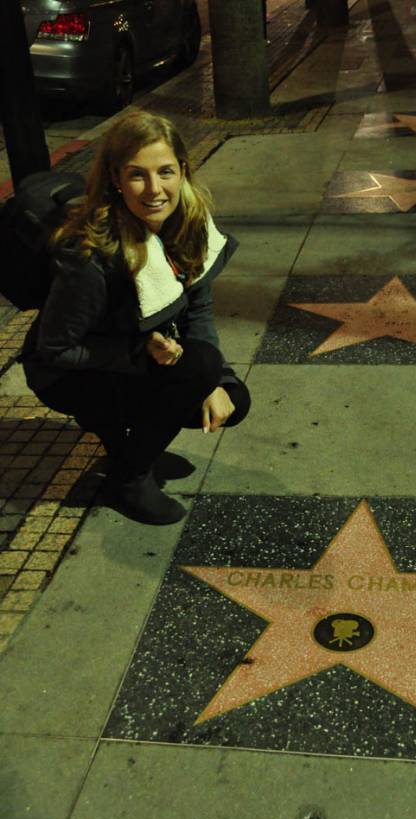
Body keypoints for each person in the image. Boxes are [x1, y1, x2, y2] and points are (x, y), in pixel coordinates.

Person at [21, 110, 251, 525]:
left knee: (232, 396)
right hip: (68, 374)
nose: (154, 190)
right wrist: (139, 350)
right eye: (136, 175)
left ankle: (129, 445)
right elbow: (53, 349)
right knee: (196, 367)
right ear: (116, 179)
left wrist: (218, 382)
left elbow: (199, 309)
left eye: (165, 172)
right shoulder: (91, 254)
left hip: (133, 355)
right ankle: (128, 477)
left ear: (183, 170)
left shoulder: (190, 225)